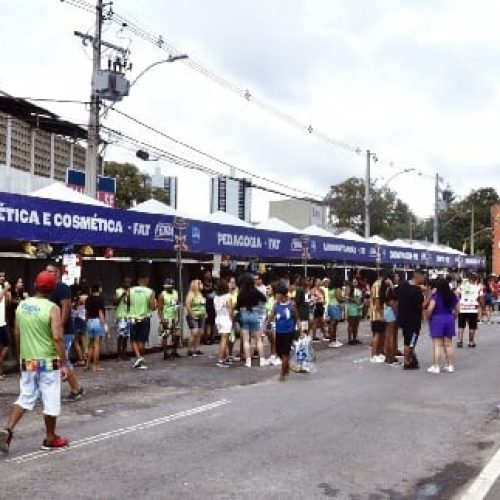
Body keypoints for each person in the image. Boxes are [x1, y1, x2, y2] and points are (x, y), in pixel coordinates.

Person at [0, 271, 69, 453]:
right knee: (51, 400)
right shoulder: (52, 308)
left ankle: (8, 429)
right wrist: (63, 364)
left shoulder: (22, 305)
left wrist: (20, 354)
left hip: (28, 360)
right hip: (48, 362)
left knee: (25, 396)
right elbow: (57, 337)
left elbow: (16, 332)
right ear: (53, 289)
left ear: (35, 285)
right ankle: (49, 438)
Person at [46, 264, 84, 402]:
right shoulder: (49, 288)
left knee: (63, 359)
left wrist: (60, 325)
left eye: (51, 272)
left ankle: (76, 389)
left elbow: (66, 307)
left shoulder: (62, 287)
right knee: (57, 360)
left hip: (65, 330)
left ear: (57, 273)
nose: (48, 274)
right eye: (46, 271)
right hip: (54, 330)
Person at [425, 278, 459, 374]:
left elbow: (430, 308)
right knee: (448, 344)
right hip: (449, 318)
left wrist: (428, 317)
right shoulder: (452, 295)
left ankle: (436, 366)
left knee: (437, 345)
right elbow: (458, 309)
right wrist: (453, 317)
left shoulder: (436, 296)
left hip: (437, 319)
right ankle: (450, 365)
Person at [394, 269, 425, 370]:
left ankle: (411, 358)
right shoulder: (417, 290)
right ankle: (407, 362)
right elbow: (422, 305)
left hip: (403, 318)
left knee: (407, 339)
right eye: (423, 277)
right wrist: (428, 295)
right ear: (418, 277)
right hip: (413, 320)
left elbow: (393, 294)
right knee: (410, 341)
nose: (424, 279)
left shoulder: (402, 285)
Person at [235, 273, 267, 368]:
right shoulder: (256, 291)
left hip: (244, 315)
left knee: (245, 340)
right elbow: (264, 299)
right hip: (254, 314)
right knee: (258, 339)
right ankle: (262, 360)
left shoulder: (240, 293)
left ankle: (248, 361)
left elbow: (237, 306)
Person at [270, 283, 299, 381]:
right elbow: (271, 317)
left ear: (282, 294)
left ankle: (282, 373)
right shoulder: (276, 304)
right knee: (279, 351)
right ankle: (286, 364)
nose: (276, 296)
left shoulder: (291, 304)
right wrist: (269, 319)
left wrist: (299, 329)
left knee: (285, 352)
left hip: (289, 331)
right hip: (279, 331)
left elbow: (296, 317)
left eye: (277, 294)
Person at [128, 272, 156, 369]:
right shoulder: (150, 291)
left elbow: (127, 303)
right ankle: (140, 358)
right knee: (142, 340)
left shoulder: (130, 290)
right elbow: (153, 307)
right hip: (144, 317)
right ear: (143, 280)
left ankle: (138, 357)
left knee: (133, 339)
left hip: (133, 317)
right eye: (147, 279)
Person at [85, 283, 108, 372]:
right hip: (98, 322)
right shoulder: (100, 299)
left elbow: (86, 313)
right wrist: (105, 325)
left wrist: (86, 322)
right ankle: (95, 366)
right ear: (99, 289)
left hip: (89, 322)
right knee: (97, 345)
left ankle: (87, 364)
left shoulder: (88, 299)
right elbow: (100, 313)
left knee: (91, 345)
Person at [157, 278, 181, 360]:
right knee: (165, 336)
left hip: (175, 317)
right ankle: (165, 353)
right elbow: (159, 309)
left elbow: (176, 304)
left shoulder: (175, 293)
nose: (168, 288)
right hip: (166, 317)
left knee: (177, 335)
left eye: (170, 286)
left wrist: (178, 315)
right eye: (166, 286)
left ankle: (174, 351)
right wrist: (162, 319)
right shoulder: (162, 294)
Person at [456, 274, 481, 348]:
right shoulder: (478, 287)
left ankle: (460, 341)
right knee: (472, 326)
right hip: (473, 308)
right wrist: (482, 307)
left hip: (462, 308)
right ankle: (471, 342)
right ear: (476, 280)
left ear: (468, 279)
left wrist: (459, 302)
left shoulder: (462, 286)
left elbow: (457, 295)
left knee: (461, 325)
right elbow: (481, 298)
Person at [214, 279, 233, 368]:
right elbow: (230, 310)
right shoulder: (228, 296)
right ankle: (220, 360)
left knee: (223, 339)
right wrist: (231, 320)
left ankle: (224, 359)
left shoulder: (216, 297)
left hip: (218, 318)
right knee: (224, 340)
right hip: (226, 319)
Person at [185, 279, 206, 357]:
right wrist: (192, 314)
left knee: (200, 332)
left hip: (201, 315)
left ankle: (196, 349)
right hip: (193, 315)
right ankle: (189, 350)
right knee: (194, 332)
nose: (201, 285)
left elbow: (202, 304)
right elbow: (187, 305)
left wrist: (205, 312)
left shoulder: (200, 294)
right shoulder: (191, 294)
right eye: (200, 284)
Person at [369, 273, 387, 363]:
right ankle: (373, 355)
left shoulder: (382, 285)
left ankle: (379, 353)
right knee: (377, 334)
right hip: (376, 314)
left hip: (382, 313)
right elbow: (377, 300)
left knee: (382, 334)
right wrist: (380, 314)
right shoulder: (377, 284)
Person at [113, 277, 132, 361]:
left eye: (129, 282)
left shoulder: (131, 291)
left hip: (128, 316)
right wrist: (122, 295)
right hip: (120, 316)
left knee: (126, 336)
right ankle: (119, 354)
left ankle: (124, 353)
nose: (127, 284)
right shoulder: (118, 291)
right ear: (123, 282)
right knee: (120, 336)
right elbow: (114, 302)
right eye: (126, 282)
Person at [383, 274, 399, 365]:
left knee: (389, 335)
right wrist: (397, 314)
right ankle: (391, 357)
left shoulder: (387, 289)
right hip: (392, 312)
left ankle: (388, 356)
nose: (398, 277)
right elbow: (393, 302)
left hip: (388, 311)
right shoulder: (391, 289)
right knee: (392, 336)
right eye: (396, 276)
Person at [72, 283, 89, 367]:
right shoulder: (87, 298)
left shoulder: (78, 300)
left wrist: (74, 305)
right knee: (82, 340)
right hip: (83, 320)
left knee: (75, 341)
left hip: (77, 320)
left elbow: (74, 312)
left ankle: (81, 359)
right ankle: (85, 358)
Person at [0, 271, 11, 380]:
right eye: (0, 276)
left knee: (7, 344)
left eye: (3, 276)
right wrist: (5, 289)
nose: (2, 278)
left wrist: (8, 296)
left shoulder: (2, 288)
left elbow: (7, 304)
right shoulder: (2, 288)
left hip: (2, 322)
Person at [327, 278, 344, 348]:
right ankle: (332, 340)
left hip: (330, 306)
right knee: (334, 324)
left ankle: (332, 340)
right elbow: (339, 299)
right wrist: (344, 299)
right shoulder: (337, 289)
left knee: (332, 323)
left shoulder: (330, 289)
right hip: (335, 306)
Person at [346, 279, 363, 345]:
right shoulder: (349, 289)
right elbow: (346, 297)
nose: (354, 283)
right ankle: (350, 339)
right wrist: (354, 300)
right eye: (353, 282)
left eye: (356, 282)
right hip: (352, 306)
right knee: (351, 323)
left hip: (359, 307)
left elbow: (361, 298)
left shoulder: (359, 289)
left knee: (356, 324)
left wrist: (361, 304)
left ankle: (355, 338)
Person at [201, 270, 216, 345]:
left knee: (213, 322)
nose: (209, 275)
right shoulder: (203, 284)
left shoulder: (212, 283)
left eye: (210, 274)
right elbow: (205, 292)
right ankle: (206, 338)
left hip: (213, 305)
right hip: (206, 305)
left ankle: (212, 338)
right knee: (208, 323)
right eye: (208, 274)